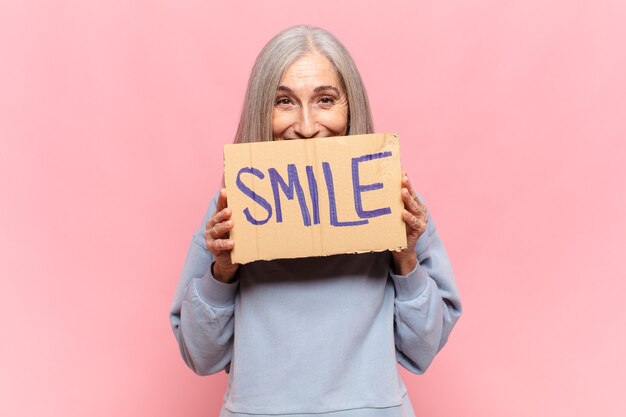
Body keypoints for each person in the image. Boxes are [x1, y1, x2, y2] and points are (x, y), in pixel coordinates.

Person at [170, 25, 462, 417]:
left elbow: (423, 351)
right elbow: (200, 357)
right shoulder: (233, 208)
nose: (307, 127)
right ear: (263, 109)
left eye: (325, 100)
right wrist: (222, 273)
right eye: (284, 102)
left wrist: (405, 258)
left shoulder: (393, 202)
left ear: (350, 107)